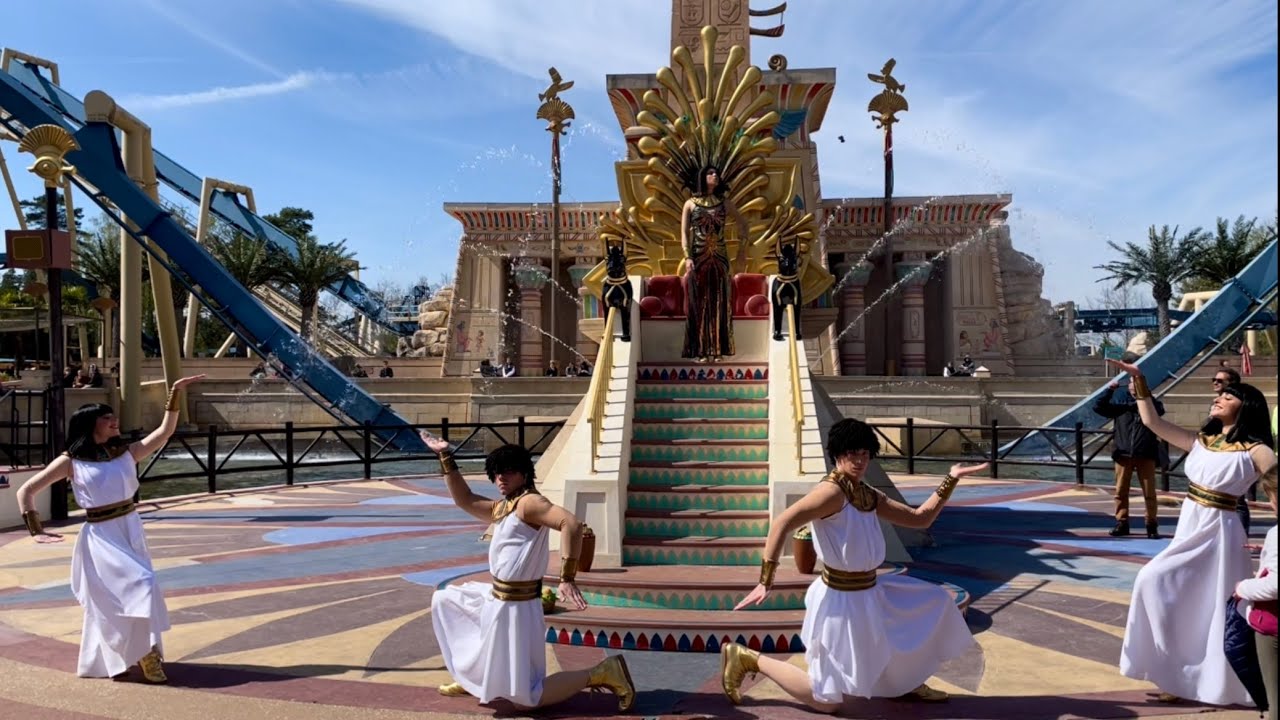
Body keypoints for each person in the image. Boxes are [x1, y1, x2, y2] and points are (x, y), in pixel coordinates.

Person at [721, 418, 987, 713]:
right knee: (828, 702)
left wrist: (951, 479)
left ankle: (905, 684)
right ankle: (748, 658)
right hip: (841, 601)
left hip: (870, 591)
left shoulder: (866, 493)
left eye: (864, 454)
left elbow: (920, 518)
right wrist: (765, 580)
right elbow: (782, 522)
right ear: (837, 454)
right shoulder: (831, 493)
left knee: (929, 608)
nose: (859, 461)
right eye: (852, 453)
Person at [1106, 357, 1276, 706]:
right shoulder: (1202, 440)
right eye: (1219, 395)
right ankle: (1176, 674)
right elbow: (1152, 421)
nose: (1218, 398)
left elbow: (1276, 483)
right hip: (1190, 527)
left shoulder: (1257, 450)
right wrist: (1140, 383)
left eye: (1227, 396)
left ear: (1246, 406)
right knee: (1159, 587)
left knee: (1210, 605)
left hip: (1220, 533)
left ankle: (1216, 679)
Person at [15, 374, 206, 684]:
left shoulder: (126, 452)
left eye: (113, 416)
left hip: (130, 528)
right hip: (101, 536)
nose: (114, 421)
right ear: (90, 424)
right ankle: (146, 653)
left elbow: (165, 431)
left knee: (123, 597)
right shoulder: (71, 461)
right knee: (140, 585)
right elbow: (26, 491)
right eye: (106, 418)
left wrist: (174, 393)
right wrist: (36, 529)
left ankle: (136, 652)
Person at [421, 435, 636, 710]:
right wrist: (445, 456)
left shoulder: (529, 503)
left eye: (508, 471)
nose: (501, 478)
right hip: (499, 599)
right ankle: (476, 679)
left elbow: (571, 523)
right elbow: (465, 500)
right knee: (446, 600)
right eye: (496, 473)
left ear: (524, 473)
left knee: (526, 699)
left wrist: (567, 578)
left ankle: (603, 672)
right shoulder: (506, 506)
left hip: (518, 609)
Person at [1094, 356, 1167, 538]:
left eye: (1137, 384)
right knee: (1120, 491)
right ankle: (1122, 523)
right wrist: (1109, 391)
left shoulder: (1151, 404)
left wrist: (1145, 396)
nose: (1133, 387)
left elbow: (1159, 411)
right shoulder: (1122, 406)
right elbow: (1099, 407)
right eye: (1131, 384)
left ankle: (1151, 525)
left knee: (1149, 492)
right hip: (1123, 454)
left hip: (1146, 453)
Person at [681, 165, 748, 362]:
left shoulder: (724, 203)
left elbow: (743, 224)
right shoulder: (690, 204)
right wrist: (687, 257)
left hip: (720, 257)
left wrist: (742, 250)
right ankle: (701, 351)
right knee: (699, 303)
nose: (715, 175)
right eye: (710, 173)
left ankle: (718, 350)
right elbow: (684, 233)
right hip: (698, 257)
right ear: (702, 177)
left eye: (716, 173)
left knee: (720, 302)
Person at [1234, 466, 1277, 719]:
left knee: (1275, 700)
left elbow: (1275, 586)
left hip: (1272, 624)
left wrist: (1243, 587)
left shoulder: (1276, 533)